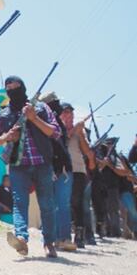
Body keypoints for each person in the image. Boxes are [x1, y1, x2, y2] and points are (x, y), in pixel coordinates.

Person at [0, 75, 60, 257]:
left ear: (24, 87)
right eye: (9, 88)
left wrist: (34, 118)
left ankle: (49, 242)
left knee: (47, 203)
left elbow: (54, 132)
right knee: (20, 203)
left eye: (16, 86)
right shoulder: (3, 114)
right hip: (17, 165)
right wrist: (7, 137)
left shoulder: (40, 108)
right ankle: (21, 239)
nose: (12, 90)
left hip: (42, 163)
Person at [59, 104, 95, 248]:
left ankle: (80, 235)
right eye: (66, 113)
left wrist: (79, 133)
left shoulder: (79, 131)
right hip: (62, 170)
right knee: (64, 202)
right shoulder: (57, 128)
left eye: (71, 113)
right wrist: (72, 130)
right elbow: (63, 140)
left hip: (78, 169)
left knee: (77, 201)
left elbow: (87, 151)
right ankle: (64, 234)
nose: (70, 116)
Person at [43, 94, 76, 251]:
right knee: (56, 205)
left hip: (61, 169)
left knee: (60, 204)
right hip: (52, 169)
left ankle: (62, 238)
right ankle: (57, 238)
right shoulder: (46, 121)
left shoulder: (53, 122)